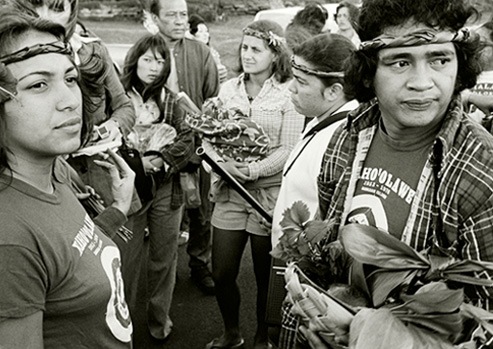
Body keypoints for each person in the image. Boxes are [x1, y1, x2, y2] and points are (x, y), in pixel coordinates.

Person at [305, 0, 493, 346]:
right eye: (400, 61)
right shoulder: (346, 139)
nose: (422, 83)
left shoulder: (481, 169)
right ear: (369, 70)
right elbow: (326, 248)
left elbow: (486, 323)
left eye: (439, 59)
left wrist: (367, 335)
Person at [0, 7, 135, 348]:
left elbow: (67, 256)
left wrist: (118, 208)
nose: (69, 101)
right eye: (39, 84)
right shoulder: (9, 239)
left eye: (70, 79)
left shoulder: (57, 171)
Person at [202, 19, 305, 349]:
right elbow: (210, 136)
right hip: (230, 193)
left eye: (256, 49)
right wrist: (222, 164)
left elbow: (288, 148)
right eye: (244, 48)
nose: (247, 55)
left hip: (268, 195)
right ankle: (232, 332)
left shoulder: (288, 92)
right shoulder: (228, 89)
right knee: (222, 273)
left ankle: (264, 336)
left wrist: (254, 169)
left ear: (275, 54)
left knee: (265, 277)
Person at [271, 33, 358, 349]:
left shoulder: (342, 138)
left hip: (314, 282)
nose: (291, 88)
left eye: (301, 82)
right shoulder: (321, 118)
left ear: (334, 90)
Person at [120, 33, 195, 343]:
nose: (153, 66)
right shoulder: (120, 99)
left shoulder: (173, 100)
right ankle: (121, 324)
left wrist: (158, 160)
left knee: (164, 259)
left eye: (160, 60)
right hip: (128, 191)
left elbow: (188, 139)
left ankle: (158, 321)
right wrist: (139, 163)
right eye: (148, 58)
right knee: (125, 261)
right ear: (135, 59)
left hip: (167, 189)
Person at [149, 0, 220, 295]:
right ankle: (161, 275)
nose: (180, 21)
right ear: (154, 18)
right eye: (171, 15)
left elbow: (213, 99)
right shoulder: (145, 51)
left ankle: (200, 263)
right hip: (158, 150)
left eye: (183, 15)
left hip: (198, 147)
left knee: (202, 212)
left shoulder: (201, 53)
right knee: (162, 215)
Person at [188, 13, 228, 83]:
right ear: (192, 35)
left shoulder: (212, 53)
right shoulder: (189, 54)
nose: (205, 34)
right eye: (200, 31)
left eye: (206, 31)